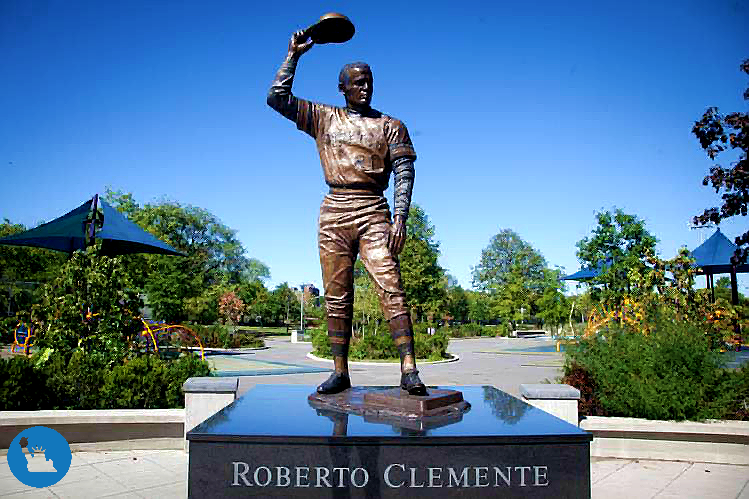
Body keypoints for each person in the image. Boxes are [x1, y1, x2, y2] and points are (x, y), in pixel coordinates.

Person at [267, 30, 426, 395]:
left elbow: (405, 171)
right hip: (334, 211)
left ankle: (409, 368)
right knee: (337, 295)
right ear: (343, 89)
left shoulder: (390, 126)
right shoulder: (324, 118)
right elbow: (277, 97)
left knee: (391, 286)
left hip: (374, 210)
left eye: (368, 82)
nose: (365, 88)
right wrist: (293, 56)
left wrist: (400, 217)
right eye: (357, 83)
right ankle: (340, 372)